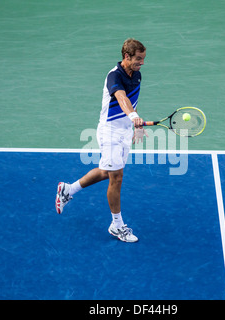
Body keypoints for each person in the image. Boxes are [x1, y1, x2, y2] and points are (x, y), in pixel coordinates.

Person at [56, 38, 148, 243]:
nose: (142, 63)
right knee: (117, 177)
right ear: (127, 56)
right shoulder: (114, 76)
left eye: (143, 59)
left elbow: (131, 103)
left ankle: (68, 189)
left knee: (107, 172)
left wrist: (136, 125)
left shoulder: (137, 75)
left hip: (124, 131)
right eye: (138, 59)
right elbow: (122, 98)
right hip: (110, 133)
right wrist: (134, 118)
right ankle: (117, 225)